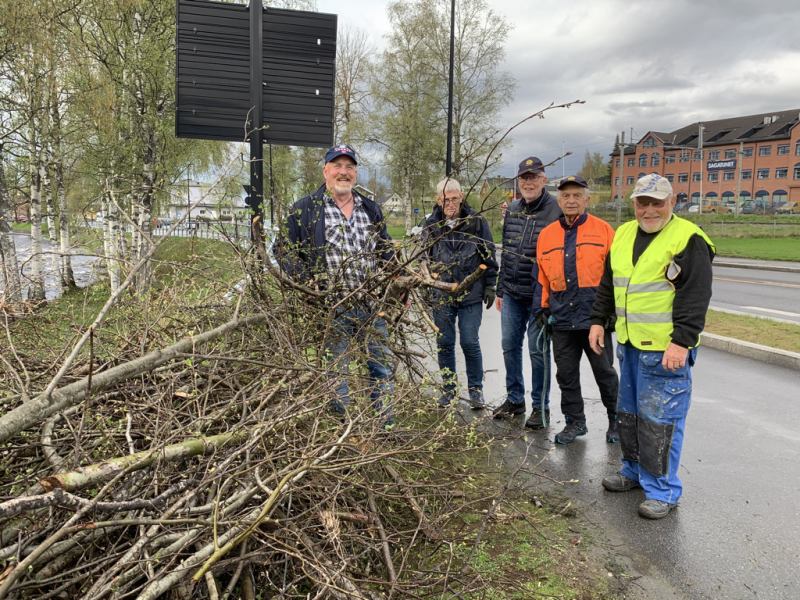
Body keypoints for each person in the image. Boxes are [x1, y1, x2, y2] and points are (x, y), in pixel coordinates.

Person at [588, 173, 714, 519]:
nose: (649, 210)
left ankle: (663, 490)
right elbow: (608, 283)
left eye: (657, 202)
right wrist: (599, 319)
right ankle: (633, 472)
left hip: (666, 351)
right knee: (628, 415)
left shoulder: (688, 238)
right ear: (633, 204)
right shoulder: (625, 234)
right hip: (630, 345)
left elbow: (696, 295)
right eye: (643, 202)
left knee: (661, 421)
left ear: (671, 202)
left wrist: (681, 343)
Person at [275, 144, 398, 428]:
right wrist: (305, 277)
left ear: (355, 173)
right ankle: (341, 431)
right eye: (337, 166)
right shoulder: (306, 208)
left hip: (371, 305)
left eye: (349, 167)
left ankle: (386, 426)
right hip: (333, 307)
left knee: (380, 367)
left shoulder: (371, 209)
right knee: (336, 371)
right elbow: (282, 248)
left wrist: (398, 281)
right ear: (326, 171)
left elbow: (385, 250)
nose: (344, 172)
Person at [535, 176, 619, 443]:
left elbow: (617, 275)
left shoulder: (604, 231)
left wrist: (612, 312)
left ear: (587, 199)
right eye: (566, 196)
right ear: (559, 200)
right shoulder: (547, 235)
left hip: (595, 318)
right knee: (566, 375)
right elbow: (543, 278)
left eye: (576, 196)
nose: (571, 201)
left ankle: (617, 422)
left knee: (605, 373)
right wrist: (543, 307)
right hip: (561, 318)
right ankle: (575, 423)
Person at [494, 157, 562, 427]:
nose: (528, 182)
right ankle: (515, 400)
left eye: (534, 177)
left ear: (544, 180)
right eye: (524, 178)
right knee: (509, 347)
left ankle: (540, 407)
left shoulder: (556, 211)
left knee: (537, 351)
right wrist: (500, 289)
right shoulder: (512, 209)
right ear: (518, 182)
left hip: (539, 295)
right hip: (511, 292)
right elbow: (507, 253)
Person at [420, 177, 498, 409]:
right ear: (438, 200)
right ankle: (449, 389)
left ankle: (476, 390)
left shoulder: (476, 221)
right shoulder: (431, 225)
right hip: (441, 294)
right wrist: (426, 286)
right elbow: (423, 259)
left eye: (455, 199)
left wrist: (491, 283)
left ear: (461, 197)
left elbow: (488, 252)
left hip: (470, 292)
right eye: (446, 200)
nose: (451, 204)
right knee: (444, 342)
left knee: (469, 342)